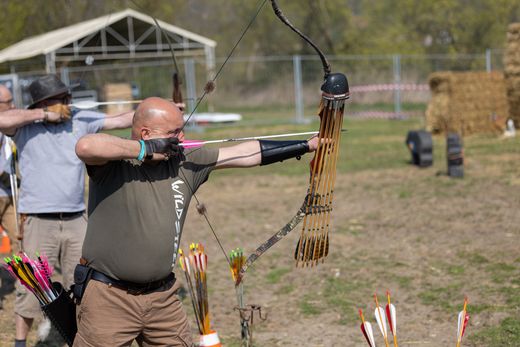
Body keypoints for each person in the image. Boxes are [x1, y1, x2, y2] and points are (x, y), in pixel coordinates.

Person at [73, 96, 319, 346]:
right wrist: (145, 150)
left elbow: (245, 154)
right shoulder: (114, 163)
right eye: (174, 131)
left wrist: (306, 145)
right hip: (109, 298)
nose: (181, 137)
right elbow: (86, 146)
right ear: (146, 133)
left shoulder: (185, 161)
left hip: (163, 299)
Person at [0, 74, 134, 347]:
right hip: (38, 220)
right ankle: (19, 343)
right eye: (62, 99)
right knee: (31, 286)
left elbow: (121, 120)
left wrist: (160, 109)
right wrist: (43, 114)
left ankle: (80, 337)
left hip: (76, 219)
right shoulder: (26, 125)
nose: (68, 102)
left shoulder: (81, 119)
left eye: (67, 97)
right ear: (44, 102)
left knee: (84, 284)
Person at [0, 84, 17, 310]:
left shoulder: (12, 127)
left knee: (21, 240)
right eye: (9, 102)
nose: (13, 106)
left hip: (10, 194)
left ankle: (29, 289)